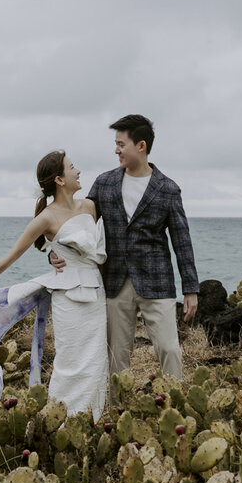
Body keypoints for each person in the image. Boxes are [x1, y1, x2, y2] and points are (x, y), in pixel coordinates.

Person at [0, 151, 108, 457]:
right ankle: (59, 428)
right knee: (69, 364)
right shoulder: (47, 217)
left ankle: (93, 427)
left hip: (96, 293)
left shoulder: (90, 206)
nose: (78, 171)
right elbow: (13, 254)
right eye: (72, 168)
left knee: (95, 362)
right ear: (59, 179)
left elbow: (95, 247)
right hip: (68, 298)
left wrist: (59, 253)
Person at [54, 114, 198, 380]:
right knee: (116, 355)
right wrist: (56, 251)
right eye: (116, 143)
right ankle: (118, 413)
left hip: (157, 281)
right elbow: (81, 224)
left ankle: (177, 404)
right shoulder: (104, 182)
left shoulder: (167, 189)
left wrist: (190, 288)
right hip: (115, 280)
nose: (116, 150)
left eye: (121, 144)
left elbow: (182, 240)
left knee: (169, 349)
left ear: (140, 146)